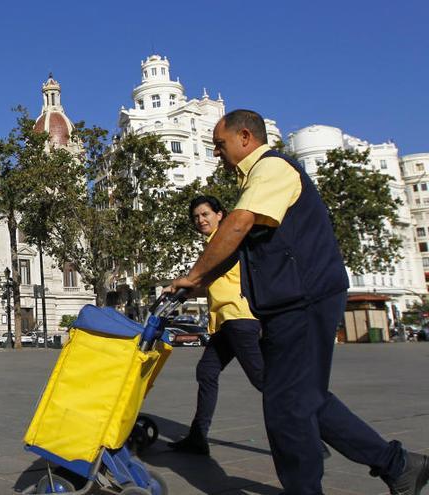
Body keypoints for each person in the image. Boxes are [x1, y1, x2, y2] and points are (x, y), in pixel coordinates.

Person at [166, 109, 428, 494]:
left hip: (303, 298)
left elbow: (237, 225)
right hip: (288, 300)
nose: (217, 153)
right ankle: (398, 464)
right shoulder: (255, 178)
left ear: (244, 137)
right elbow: (246, 251)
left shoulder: (273, 169)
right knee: (307, 398)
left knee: (286, 407)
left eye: (219, 145)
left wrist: (193, 275)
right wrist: (200, 286)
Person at [167, 195, 263, 456]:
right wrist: (183, 291)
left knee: (265, 381)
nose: (200, 220)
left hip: (239, 319)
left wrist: (184, 283)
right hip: (225, 323)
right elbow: (211, 281)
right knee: (206, 371)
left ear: (220, 215)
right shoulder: (213, 244)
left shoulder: (226, 242)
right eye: (196, 217)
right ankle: (198, 438)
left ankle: (315, 430)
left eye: (206, 214)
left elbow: (206, 277)